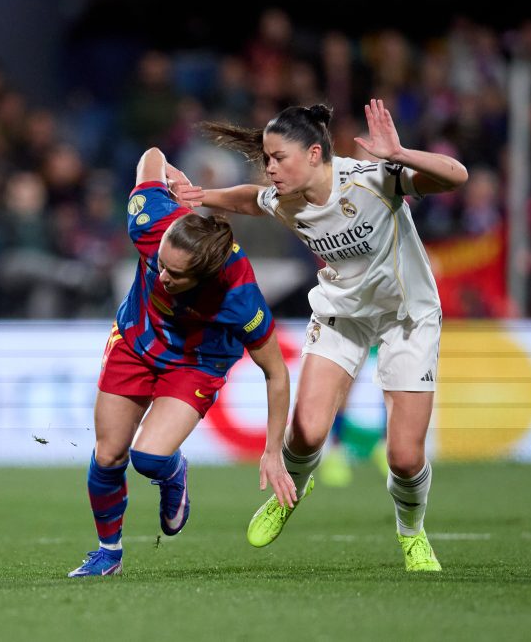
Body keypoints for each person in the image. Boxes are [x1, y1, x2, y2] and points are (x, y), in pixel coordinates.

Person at [171, 99, 468, 571]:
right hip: (341, 316)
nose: (270, 167)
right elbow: (251, 199)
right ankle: (290, 493)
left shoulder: (373, 180)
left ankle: (412, 534)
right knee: (306, 433)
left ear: (313, 154)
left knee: (406, 458)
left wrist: (401, 152)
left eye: (278, 158)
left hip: (407, 317)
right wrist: (202, 196)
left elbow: (456, 176)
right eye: (266, 158)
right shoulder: (284, 198)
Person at [68, 147, 295, 578]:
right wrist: (172, 174)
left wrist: (272, 450)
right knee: (109, 454)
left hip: (196, 360)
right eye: (160, 264)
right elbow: (150, 155)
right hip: (136, 339)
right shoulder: (150, 224)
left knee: (149, 458)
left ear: (204, 276)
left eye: (174, 274)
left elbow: (276, 372)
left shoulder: (237, 294)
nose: (161, 274)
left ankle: (173, 474)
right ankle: (108, 552)